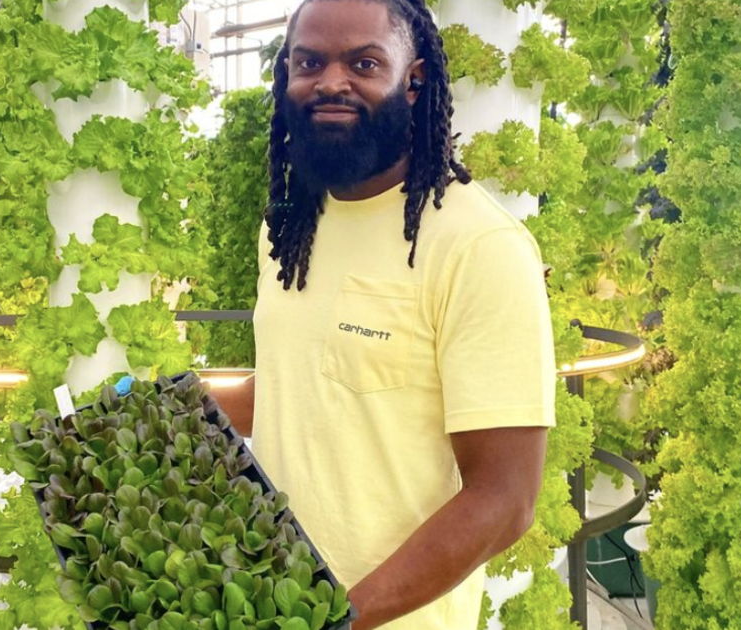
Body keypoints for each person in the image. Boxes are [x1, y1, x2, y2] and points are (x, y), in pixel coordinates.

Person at [209, 0, 556, 628]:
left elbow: (504, 500)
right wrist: (180, 398)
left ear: (414, 80)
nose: (331, 82)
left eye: (364, 63)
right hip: (273, 601)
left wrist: (333, 618)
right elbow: (308, 386)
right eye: (309, 62)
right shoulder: (288, 230)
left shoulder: (478, 247)